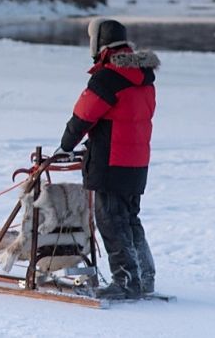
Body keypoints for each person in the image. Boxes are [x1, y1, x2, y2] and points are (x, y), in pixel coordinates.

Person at [59, 18, 159, 300]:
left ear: (98, 43)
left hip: (111, 161)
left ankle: (126, 281)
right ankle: (143, 277)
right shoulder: (144, 77)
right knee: (130, 219)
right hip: (137, 162)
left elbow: (83, 117)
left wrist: (65, 145)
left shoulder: (107, 78)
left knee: (111, 221)